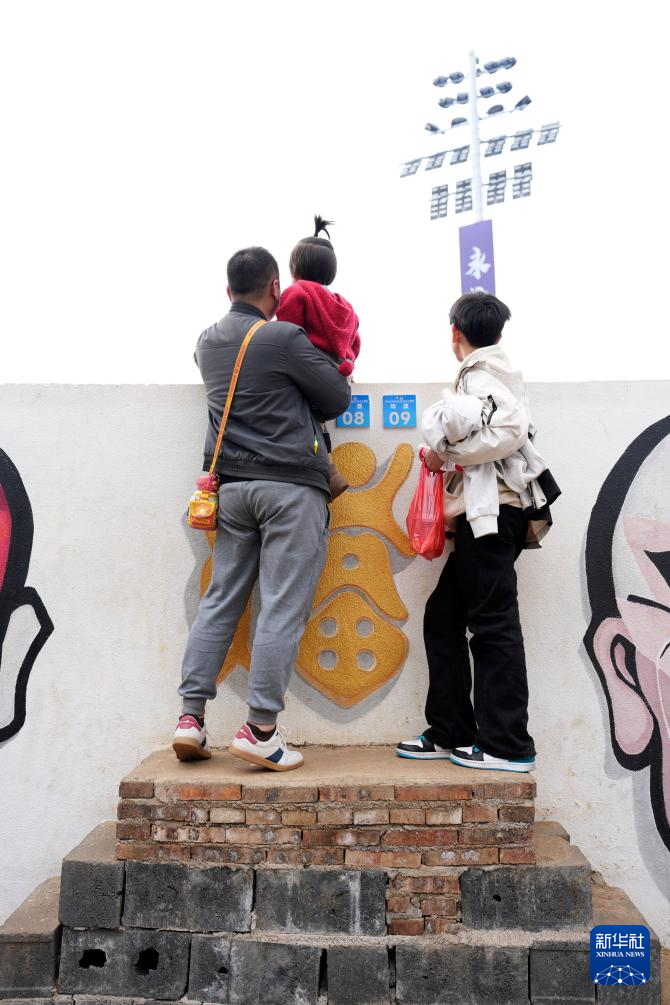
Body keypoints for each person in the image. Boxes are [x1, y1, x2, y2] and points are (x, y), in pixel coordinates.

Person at [173, 246, 351, 769]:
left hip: (231, 492)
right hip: (290, 490)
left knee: (220, 600)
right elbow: (336, 396)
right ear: (276, 287)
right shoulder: (284, 338)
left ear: (229, 290)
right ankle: (260, 730)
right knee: (281, 606)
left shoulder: (206, 343)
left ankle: (190, 718)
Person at [396, 291, 557, 773]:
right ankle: (452, 731)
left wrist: (444, 453)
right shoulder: (491, 372)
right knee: (444, 616)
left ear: (455, 332)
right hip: (490, 516)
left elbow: (512, 429)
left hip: (492, 517)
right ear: (499, 332)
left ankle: (507, 745)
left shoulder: (482, 373)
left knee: (492, 625)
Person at [276, 216, 360, 498]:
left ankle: (324, 470)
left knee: (295, 410)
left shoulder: (296, 292)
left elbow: (285, 334)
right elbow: (355, 342)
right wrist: (348, 364)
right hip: (336, 373)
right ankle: (328, 469)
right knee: (314, 416)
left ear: (294, 269)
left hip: (310, 368)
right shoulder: (344, 304)